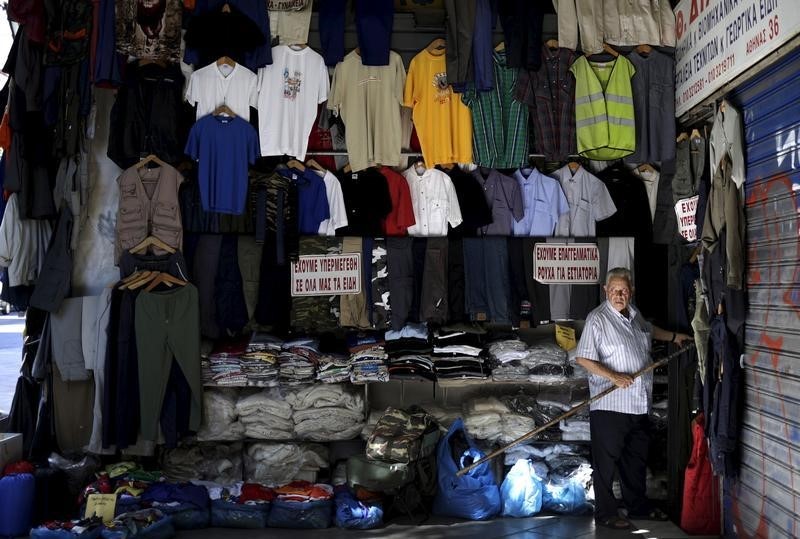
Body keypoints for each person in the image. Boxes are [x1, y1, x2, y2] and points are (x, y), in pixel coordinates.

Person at [575, 267, 691, 530]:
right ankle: (605, 513)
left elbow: (649, 330)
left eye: (624, 290)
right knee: (606, 464)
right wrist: (614, 376)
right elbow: (582, 357)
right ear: (605, 290)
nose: (619, 294)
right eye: (614, 290)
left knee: (635, 460)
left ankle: (637, 507)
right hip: (610, 405)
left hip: (638, 404)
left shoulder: (635, 315)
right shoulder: (598, 319)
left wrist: (674, 337)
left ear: (631, 291)